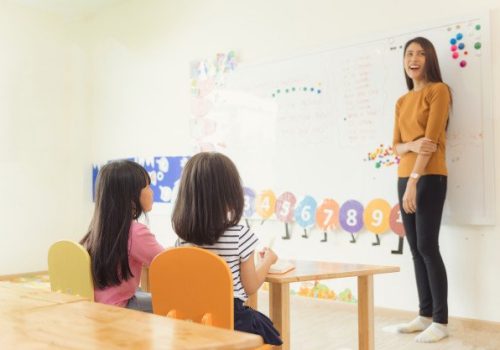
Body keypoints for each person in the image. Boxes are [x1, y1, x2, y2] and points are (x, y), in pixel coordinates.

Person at [172, 152, 282, 346]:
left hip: (193, 322)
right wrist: (268, 261)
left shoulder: (182, 239)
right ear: (230, 194)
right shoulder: (240, 235)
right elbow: (251, 286)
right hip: (231, 321)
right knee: (271, 331)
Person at [392, 37, 451, 343]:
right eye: (409, 54)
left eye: (420, 53)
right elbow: (396, 146)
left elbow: (430, 141)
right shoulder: (402, 101)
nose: (414, 58)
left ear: (430, 59)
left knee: (428, 246)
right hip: (405, 178)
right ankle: (424, 314)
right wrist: (409, 146)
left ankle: (441, 321)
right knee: (415, 249)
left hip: (429, 176)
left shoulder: (438, 91)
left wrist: (414, 179)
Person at [81, 160, 164, 312]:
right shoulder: (136, 232)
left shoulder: (97, 231)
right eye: (147, 186)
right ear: (131, 197)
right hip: (119, 309)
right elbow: (167, 263)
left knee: (140, 292)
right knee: (171, 303)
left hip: (96, 306)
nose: (152, 191)